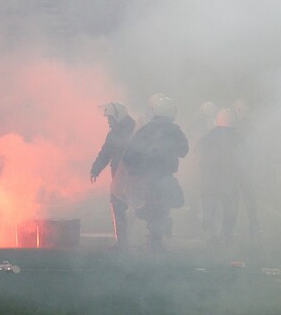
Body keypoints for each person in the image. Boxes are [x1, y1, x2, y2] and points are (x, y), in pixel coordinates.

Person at [123, 95, 189, 251]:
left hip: (146, 177)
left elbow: (129, 154)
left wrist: (136, 171)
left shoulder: (145, 130)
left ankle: (154, 238)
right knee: (162, 207)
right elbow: (184, 151)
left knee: (152, 206)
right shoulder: (174, 130)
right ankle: (156, 239)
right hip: (164, 176)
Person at [90, 102, 138, 250]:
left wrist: (95, 169)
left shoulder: (132, 132)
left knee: (120, 206)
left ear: (118, 117)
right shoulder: (135, 130)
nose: (108, 121)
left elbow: (106, 153)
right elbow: (106, 153)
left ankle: (124, 242)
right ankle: (129, 241)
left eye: (110, 118)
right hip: (127, 176)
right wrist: (95, 169)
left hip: (128, 176)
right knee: (123, 206)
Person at [196, 108, 244, 246]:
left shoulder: (207, 137)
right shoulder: (239, 139)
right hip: (229, 182)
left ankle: (212, 236)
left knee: (209, 209)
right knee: (230, 209)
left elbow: (198, 157)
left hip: (210, 181)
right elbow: (246, 159)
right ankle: (227, 236)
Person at [232, 98, 261, 238]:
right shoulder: (236, 126)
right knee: (237, 198)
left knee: (245, 199)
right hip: (237, 168)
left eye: (242, 109)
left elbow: (254, 148)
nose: (240, 112)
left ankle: (252, 227)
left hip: (243, 168)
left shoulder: (246, 127)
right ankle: (250, 228)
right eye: (238, 109)